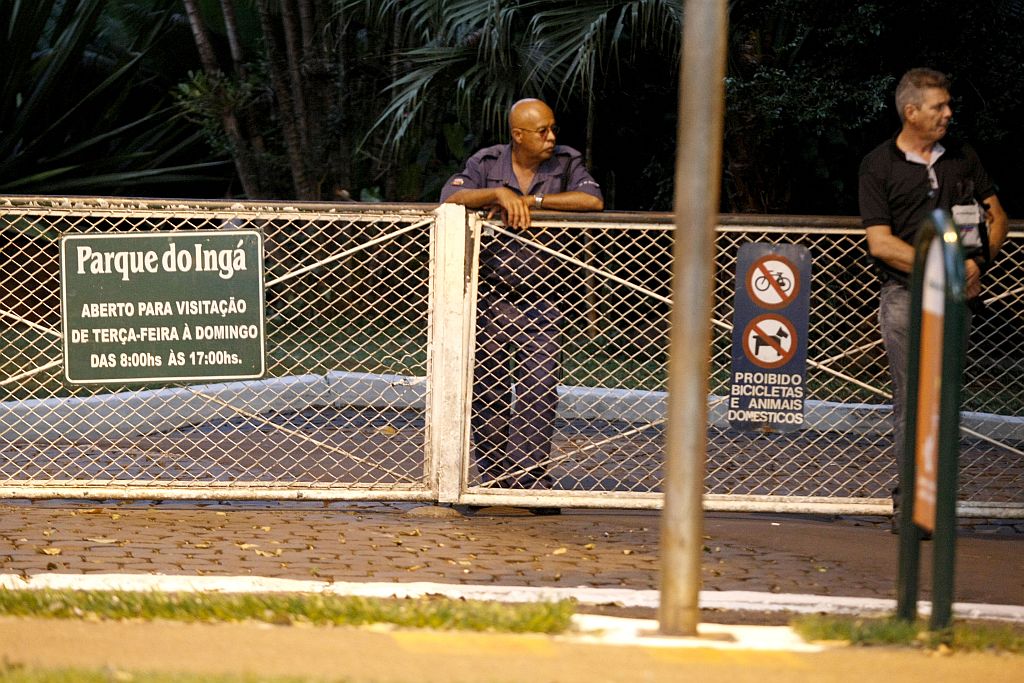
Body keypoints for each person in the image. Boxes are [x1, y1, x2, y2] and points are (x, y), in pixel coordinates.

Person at [858, 68, 1008, 533]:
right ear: (912, 111)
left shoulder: (962, 158)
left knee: (943, 399)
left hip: (957, 298)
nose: (948, 113)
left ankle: (937, 499)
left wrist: (979, 264)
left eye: (947, 105)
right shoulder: (878, 165)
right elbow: (880, 244)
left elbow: (997, 216)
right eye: (939, 106)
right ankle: (912, 507)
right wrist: (942, 266)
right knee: (914, 398)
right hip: (906, 296)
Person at [440, 98, 604, 511]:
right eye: (542, 131)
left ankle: (530, 482)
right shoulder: (487, 162)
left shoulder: (566, 163)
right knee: (487, 387)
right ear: (518, 135)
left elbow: (592, 201)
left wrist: (531, 202)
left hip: (544, 297)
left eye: (552, 129)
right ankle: (493, 479)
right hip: (492, 295)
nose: (552, 137)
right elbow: (449, 198)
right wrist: (496, 192)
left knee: (539, 388)